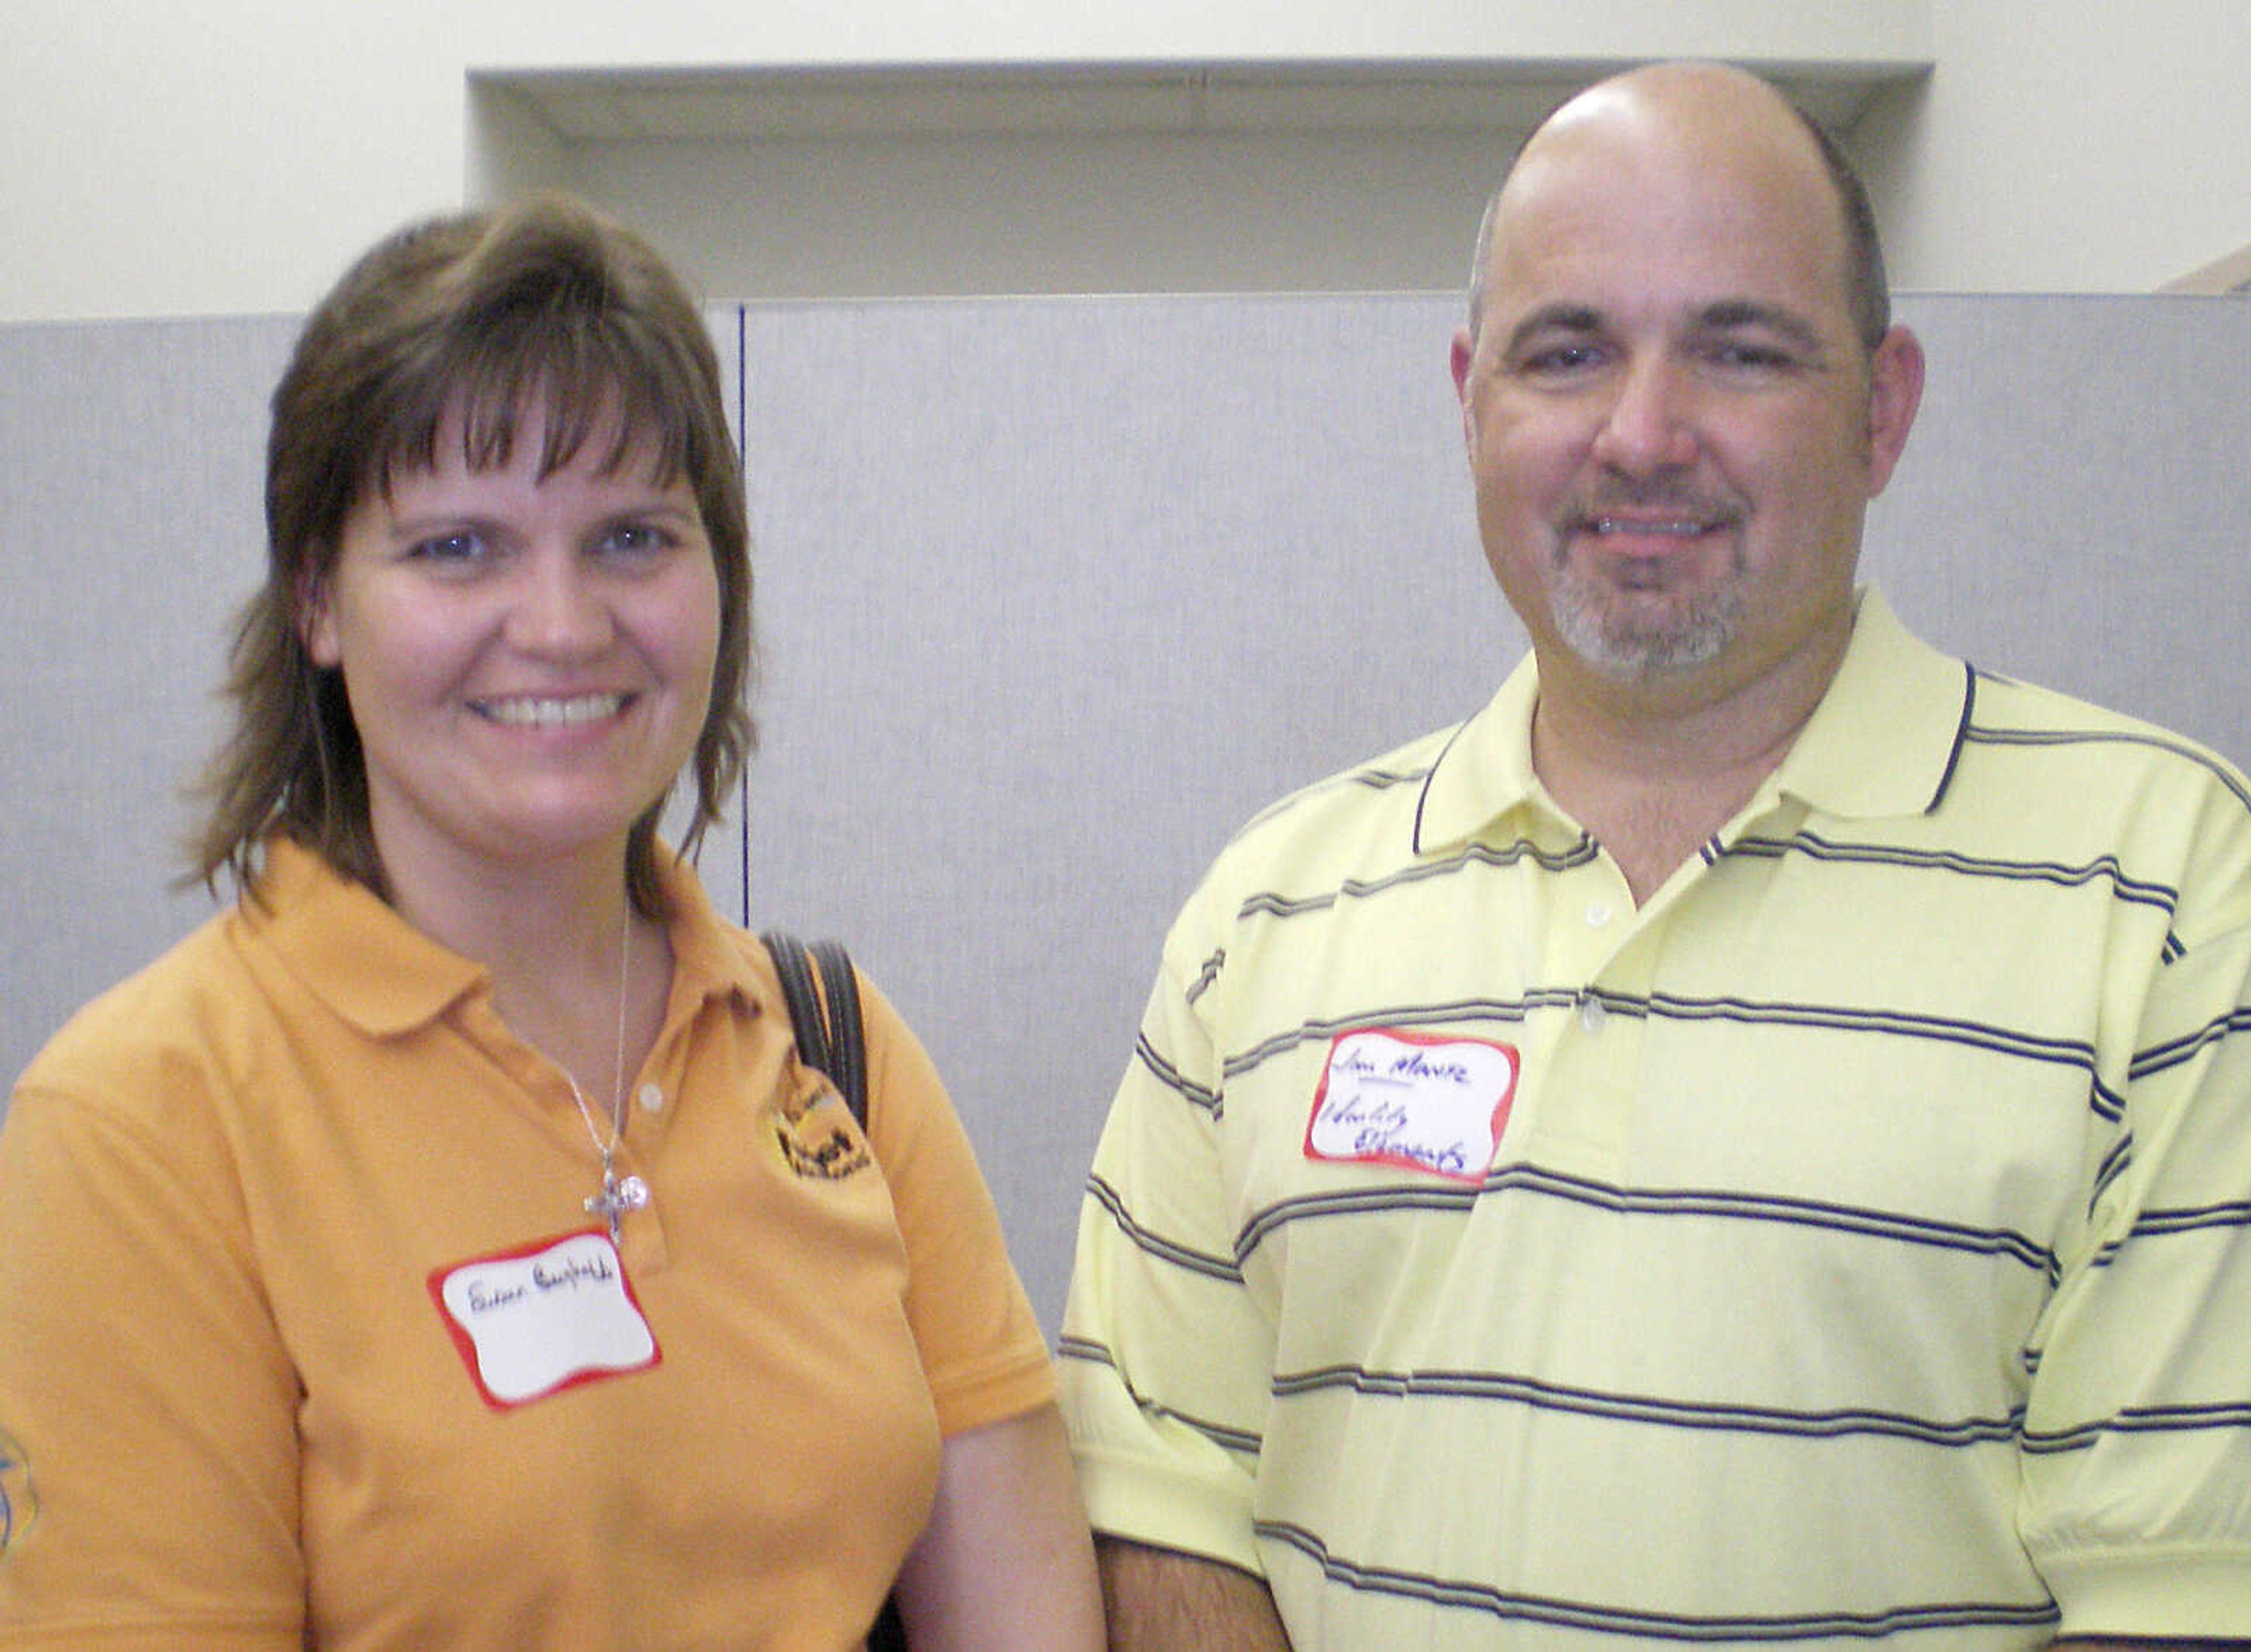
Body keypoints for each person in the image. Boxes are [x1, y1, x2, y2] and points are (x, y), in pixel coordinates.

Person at [1058, 60, 2251, 1650]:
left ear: (1882, 412)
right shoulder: (1266, 915)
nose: (1642, 434)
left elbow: (2179, 1585)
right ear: (1473, 398)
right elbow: (1166, 1494)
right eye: (1569, 354)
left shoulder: (2169, 893)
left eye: (1740, 349)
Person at [0, 196, 1103, 1650]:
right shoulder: (146, 1118)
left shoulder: (832, 1045)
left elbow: (1022, 1609)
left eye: (633, 536)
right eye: (460, 547)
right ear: (321, 599)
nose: (564, 622)